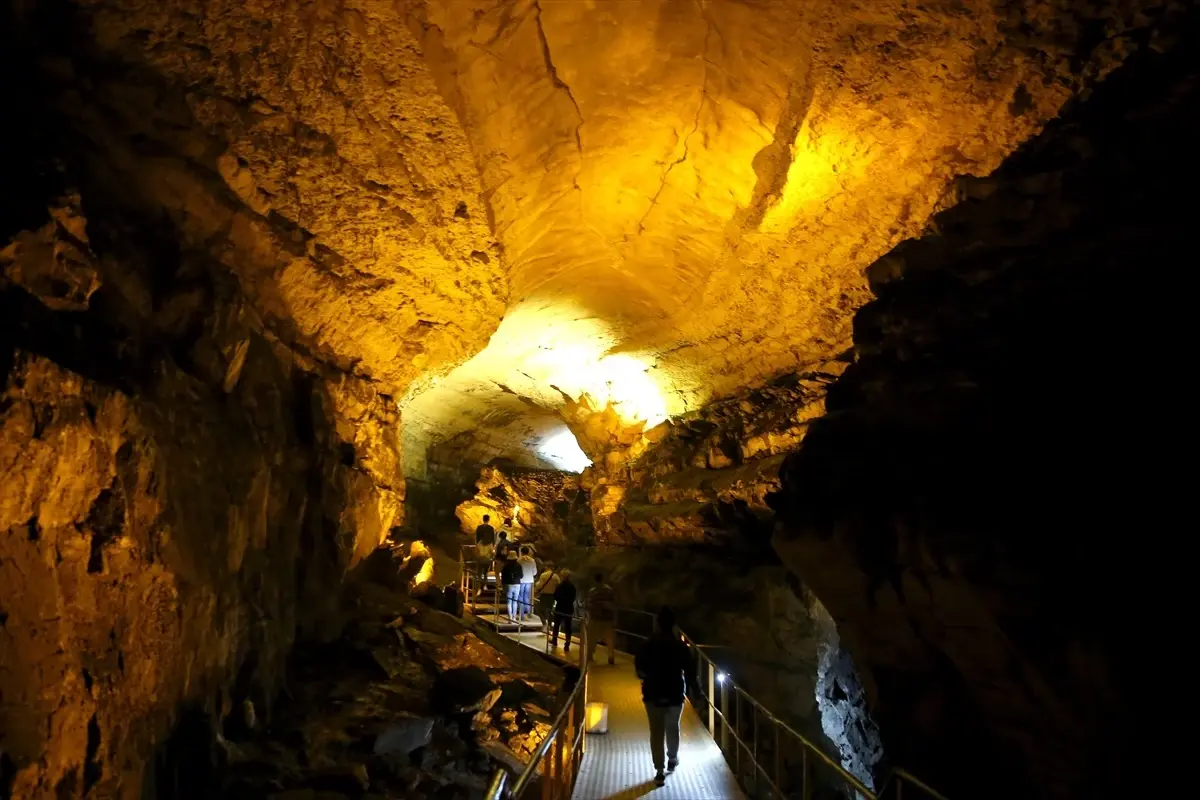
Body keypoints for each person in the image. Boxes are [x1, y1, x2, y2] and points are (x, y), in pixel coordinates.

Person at [634, 606, 694, 787]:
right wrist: (695, 691)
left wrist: (647, 676)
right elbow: (690, 671)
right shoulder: (680, 646)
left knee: (656, 732)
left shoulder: (647, 644)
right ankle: (672, 759)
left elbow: (640, 669)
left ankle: (659, 771)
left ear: (658, 624)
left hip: (653, 693)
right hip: (675, 692)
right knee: (672, 727)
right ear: (674, 624)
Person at [586, 571, 618, 666]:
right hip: (608, 617)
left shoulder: (592, 591)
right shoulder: (609, 590)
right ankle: (611, 656)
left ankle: (590, 655)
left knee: (591, 637)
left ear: (594, 580)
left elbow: (588, 604)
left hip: (595, 617)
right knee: (610, 639)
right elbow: (615, 603)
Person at [551, 570, 577, 653]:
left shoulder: (560, 586)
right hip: (569, 608)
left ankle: (554, 640)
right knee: (568, 627)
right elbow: (573, 598)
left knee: (556, 624)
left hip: (560, 607)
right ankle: (567, 644)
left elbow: (555, 596)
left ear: (562, 576)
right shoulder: (572, 586)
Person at [535, 566, 561, 631]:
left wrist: (536, 588)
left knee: (540, 610)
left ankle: (544, 623)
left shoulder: (543, 575)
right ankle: (549, 625)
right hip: (552, 596)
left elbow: (540, 585)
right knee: (550, 610)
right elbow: (558, 586)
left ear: (546, 568)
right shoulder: (556, 577)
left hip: (544, 595)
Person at [500, 550, 523, 620]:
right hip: (517, 584)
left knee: (509, 602)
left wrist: (502, 585)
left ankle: (510, 617)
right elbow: (521, 576)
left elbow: (503, 576)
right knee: (515, 601)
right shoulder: (519, 565)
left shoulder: (506, 566)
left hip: (508, 584)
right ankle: (514, 617)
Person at [517, 546, 538, 620]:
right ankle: (529, 612)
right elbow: (535, 572)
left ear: (521, 552)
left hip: (521, 580)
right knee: (527, 596)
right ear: (528, 552)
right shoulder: (532, 560)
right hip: (529, 580)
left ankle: (521, 615)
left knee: (520, 596)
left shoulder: (519, 560)